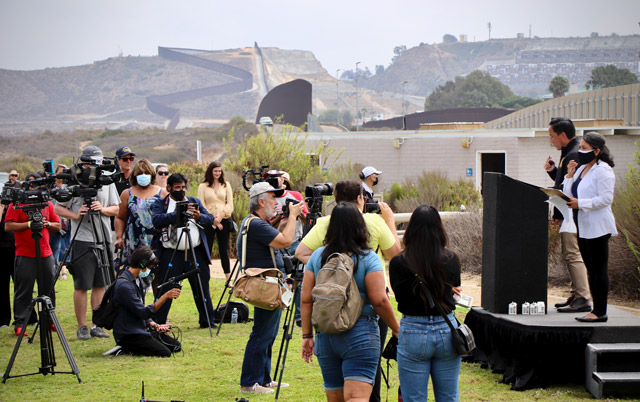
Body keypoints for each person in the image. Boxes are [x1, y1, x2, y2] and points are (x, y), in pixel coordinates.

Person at [296, 180, 400, 402]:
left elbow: (306, 300)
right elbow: (380, 300)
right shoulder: (368, 257)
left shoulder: (318, 257)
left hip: (326, 335)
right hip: (360, 332)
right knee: (357, 398)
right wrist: (396, 328)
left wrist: (307, 335)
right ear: (360, 225)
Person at [389, 205, 462, 402]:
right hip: (446, 329)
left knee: (413, 397)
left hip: (413, 329)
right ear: (439, 229)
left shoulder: (399, 263)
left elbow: (398, 294)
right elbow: (455, 289)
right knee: (448, 397)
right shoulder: (451, 259)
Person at [238, 182, 304, 394]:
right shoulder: (256, 224)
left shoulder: (254, 222)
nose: (276, 202)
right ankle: (249, 383)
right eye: (272, 198)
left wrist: (283, 219)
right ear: (261, 201)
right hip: (265, 285)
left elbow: (275, 237)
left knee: (269, 332)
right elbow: (285, 241)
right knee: (262, 333)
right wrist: (293, 215)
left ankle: (264, 379)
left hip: (268, 284)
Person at [55, 146, 120, 340]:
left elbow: (116, 208)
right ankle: (82, 326)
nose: (92, 167)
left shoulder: (106, 181)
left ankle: (96, 325)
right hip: (82, 239)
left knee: (101, 284)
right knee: (82, 284)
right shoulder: (73, 180)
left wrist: (102, 209)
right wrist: (75, 214)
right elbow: (59, 208)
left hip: (103, 236)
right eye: (88, 163)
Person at [150, 173, 217, 328]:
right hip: (171, 252)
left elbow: (210, 219)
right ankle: (158, 321)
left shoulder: (194, 202)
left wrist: (198, 216)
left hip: (195, 251)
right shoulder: (161, 203)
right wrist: (178, 214)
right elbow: (157, 220)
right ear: (169, 188)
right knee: (166, 286)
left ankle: (207, 321)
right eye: (177, 187)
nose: (181, 190)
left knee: (201, 286)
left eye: (183, 187)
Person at [564, 132, 617, 323]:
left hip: (598, 226)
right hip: (582, 224)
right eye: (581, 147)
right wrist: (569, 175)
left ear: (597, 150)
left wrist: (582, 203)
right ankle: (595, 309)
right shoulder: (582, 168)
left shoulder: (603, 170)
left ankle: (600, 311)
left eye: (585, 148)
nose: (581, 151)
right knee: (590, 269)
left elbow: (606, 199)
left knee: (599, 269)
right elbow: (569, 193)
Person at [5, 174, 61, 337]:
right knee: (24, 289)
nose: (33, 189)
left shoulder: (47, 203)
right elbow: (8, 226)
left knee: (48, 289)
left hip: (45, 253)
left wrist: (47, 224)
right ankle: (21, 322)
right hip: (25, 253)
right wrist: (28, 224)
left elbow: (58, 225)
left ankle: (50, 320)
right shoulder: (18, 204)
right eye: (30, 185)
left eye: (36, 185)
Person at [544, 117, 591, 313]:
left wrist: (561, 213)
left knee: (573, 254)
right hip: (566, 213)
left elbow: (572, 188)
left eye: (552, 136)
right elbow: (564, 183)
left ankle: (583, 297)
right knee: (569, 253)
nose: (551, 140)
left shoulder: (574, 154)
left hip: (572, 214)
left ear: (563, 135)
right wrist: (554, 171)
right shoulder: (568, 152)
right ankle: (576, 294)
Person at [112, 245, 181, 357]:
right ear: (142, 264)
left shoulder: (136, 280)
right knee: (165, 353)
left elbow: (140, 309)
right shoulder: (124, 285)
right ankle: (125, 349)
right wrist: (165, 297)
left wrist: (154, 325)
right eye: (150, 267)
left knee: (176, 346)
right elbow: (143, 312)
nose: (150, 270)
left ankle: (140, 344)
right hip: (129, 334)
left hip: (140, 329)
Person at [115, 158, 166, 264]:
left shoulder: (162, 193)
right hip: (134, 243)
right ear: (135, 175)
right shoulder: (127, 194)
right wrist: (119, 237)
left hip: (157, 242)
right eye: (140, 173)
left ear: (151, 174)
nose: (143, 175)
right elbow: (120, 217)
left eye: (146, 173)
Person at [197, 161, 234, 281]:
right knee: (206, 249)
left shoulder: (226, 185)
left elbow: (230, 204)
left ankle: (228, 278)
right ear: (210, 171)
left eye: (219, 171)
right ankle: (205, 275)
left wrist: (220, 217)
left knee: (224, 250)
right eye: (215, 171)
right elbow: (201, 204)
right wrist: (213, 220)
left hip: (224, 220)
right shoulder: (203, 186)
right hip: (209, 221)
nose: (218, 173)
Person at [0, 195, 16, 329]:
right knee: (2, 287)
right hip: (1, 251)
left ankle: (26, 317)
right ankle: (4, 320)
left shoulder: (13, 207)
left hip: (15, 249)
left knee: (21, 285)